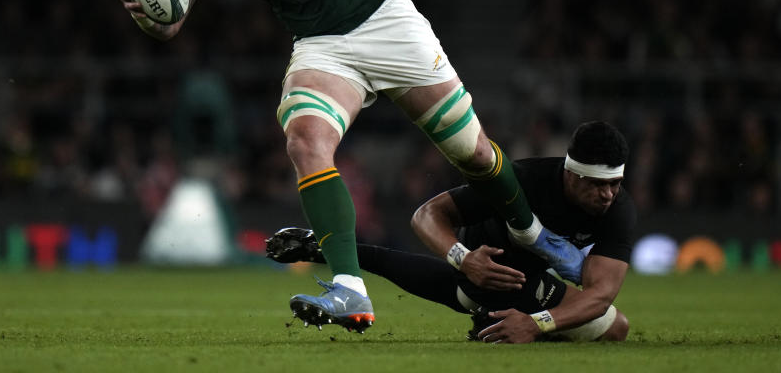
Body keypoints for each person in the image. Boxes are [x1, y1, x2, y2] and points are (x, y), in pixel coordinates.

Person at [116, 0, 584, 333]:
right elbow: (177, 6)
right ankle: (350, 289)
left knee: (471, 153)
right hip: (322, 47)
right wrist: (152, 15)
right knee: (305, 140)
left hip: (385, 17)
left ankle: (532, 231)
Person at [267, 121, 635, 342]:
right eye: (597, 184)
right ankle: (493, 314)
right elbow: (427, 215)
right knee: (614, 328)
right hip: (490, 267)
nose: (608, 194)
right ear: (571, 173)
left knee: (462, 293)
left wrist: (536, 324)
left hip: (503, 283)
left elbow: (600, 293)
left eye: (615, 184)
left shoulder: (617, 209)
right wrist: (463, 257)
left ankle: (327, 249)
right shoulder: (522, 180)